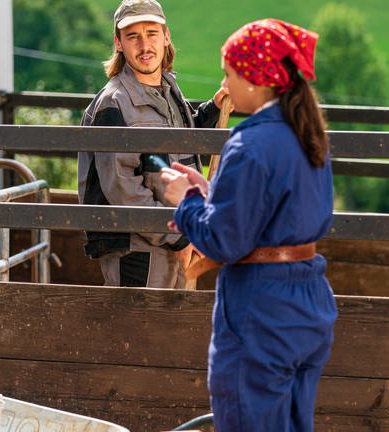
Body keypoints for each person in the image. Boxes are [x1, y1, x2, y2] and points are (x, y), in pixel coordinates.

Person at [160, 18, 337, 432]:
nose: (225, 82)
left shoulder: (250, 143)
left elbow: (224, 241)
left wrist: (186, 201)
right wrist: (213, 194)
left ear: (257, 80)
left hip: (262, 309)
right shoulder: (308, 135)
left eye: (229, 73)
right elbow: (277, 215)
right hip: (308, 300)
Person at [77, 0, 227, 288]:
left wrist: (213, 110)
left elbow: (177, 142)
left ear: (166, 36)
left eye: (152, 33)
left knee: (169, 330)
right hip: (137, 249)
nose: (144, 45)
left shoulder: (168, 89)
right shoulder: (114, 104)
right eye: (133, 36)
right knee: (137, 331)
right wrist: (176, 236)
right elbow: (122, 189)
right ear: (118, 43)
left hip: (174, 236)